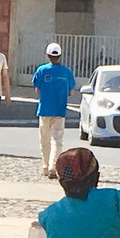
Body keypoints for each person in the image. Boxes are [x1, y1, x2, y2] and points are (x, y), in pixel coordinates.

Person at [31, 42, 76, 179]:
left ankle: (45, 166)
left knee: (44, 139)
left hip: (44, 109)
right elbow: (72, 91)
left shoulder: (41, 70)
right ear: (60, 56)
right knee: (57, 140)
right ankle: (53, 166)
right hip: (59, 110)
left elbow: (37, 89)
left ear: (48, 55)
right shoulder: (66, 72)